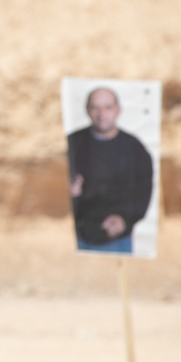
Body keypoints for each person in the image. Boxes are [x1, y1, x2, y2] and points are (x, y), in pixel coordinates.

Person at [67, 87, 153, 254]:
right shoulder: (72, 143)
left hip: (118, 241)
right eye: (95, 107)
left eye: (107, 107)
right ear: (87, 110)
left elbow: (144, 190)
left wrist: (124, 219)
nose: (101, 114)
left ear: (117, 110)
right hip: (76, 237)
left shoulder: (135, 148)